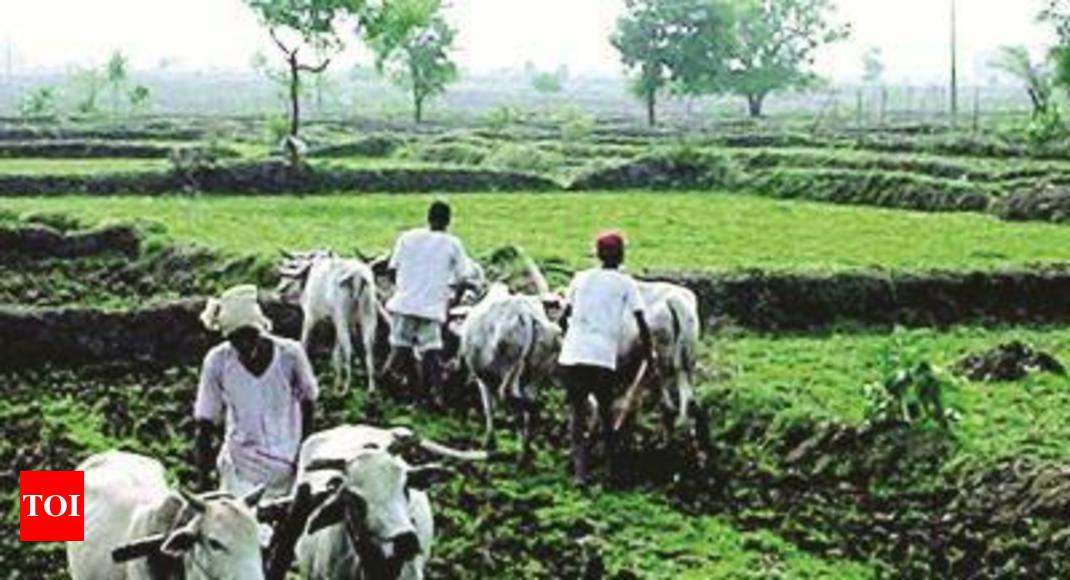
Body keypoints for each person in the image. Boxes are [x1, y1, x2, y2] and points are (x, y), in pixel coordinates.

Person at [193, 285, 318, 499]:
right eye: (236, 339)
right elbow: (205, 421)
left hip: (287, 465)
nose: (245, 344)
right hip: (242, 467)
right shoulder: (218, 362)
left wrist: (303, 457)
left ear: (261, 330)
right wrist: (204, 477)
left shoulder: (291, 355)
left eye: (250, 336)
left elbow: (309, 403)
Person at [558, 232, 655, 486]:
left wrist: (572, 335)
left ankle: (580, 474)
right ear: (621, 255)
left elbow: (562, 316)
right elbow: (642, 323)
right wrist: (650, 356)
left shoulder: (581, 279)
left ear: (597, 254)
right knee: (605, 412)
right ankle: (611, 471)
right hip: (602, 357)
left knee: (577, 414)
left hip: (574, 355)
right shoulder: (625, 284)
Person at [383, 200, 472, 403]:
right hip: (432, 307)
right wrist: (452, 302)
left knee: (399, 347)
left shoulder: (407, 237)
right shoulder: (452, 244)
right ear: (448, 221)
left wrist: (402, 288)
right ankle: (434, 395)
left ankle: (387, 385)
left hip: (404, 303)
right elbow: (463, 278)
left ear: (428, 218)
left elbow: (391, 269)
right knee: (431, 349)